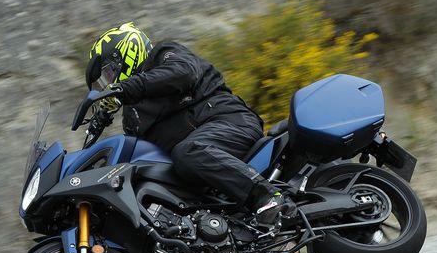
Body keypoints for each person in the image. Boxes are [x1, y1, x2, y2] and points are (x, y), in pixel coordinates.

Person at [84, 22, 296, 231]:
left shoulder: (164, 55)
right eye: (105, 80)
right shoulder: (132, 115)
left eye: (109, 73)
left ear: (126, 54)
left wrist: (124, 88)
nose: (109, 82)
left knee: (189, 151)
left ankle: (268, 197)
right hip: (199, 160)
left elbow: (183, 73)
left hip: (231, 122)